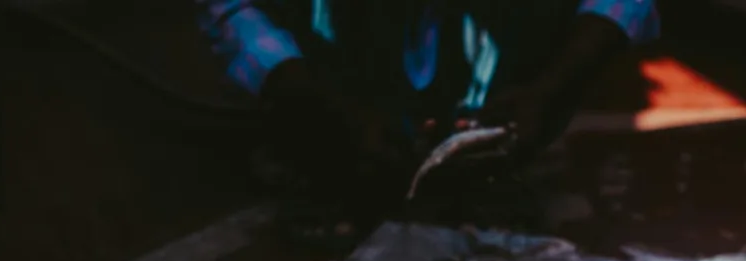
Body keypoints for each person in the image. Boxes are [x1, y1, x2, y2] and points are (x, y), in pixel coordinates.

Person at [196, 0, 659, 193]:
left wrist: (550, 88)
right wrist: (319, 101)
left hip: (517, 114)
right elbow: (233, 10)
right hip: (332, 126)